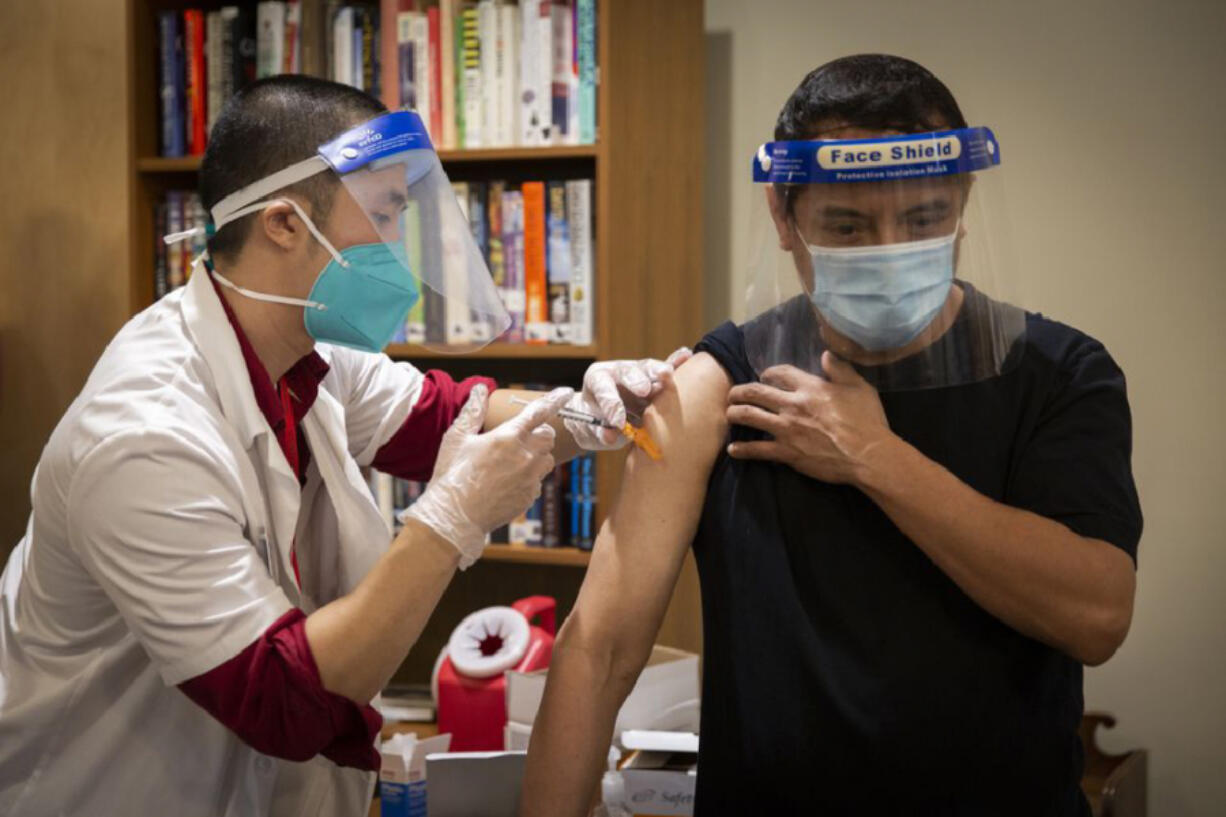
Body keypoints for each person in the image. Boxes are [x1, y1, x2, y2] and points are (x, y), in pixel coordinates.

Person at [0, 76, 687, 816]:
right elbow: (284, 699)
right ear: (284, 224)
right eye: (387, 214)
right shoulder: (143, 433)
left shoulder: (308, 347)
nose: (399, 245)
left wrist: (580, 413)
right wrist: (449, 521)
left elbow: (451, 415)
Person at [520, 54, 1142, 816]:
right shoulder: (719, 385)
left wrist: (876, 458)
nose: (886, 249)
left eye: (922, 218)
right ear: (785, 218)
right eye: (847, 225)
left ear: (964, 199)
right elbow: (600, 648)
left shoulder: (1058, 373)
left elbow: (1097, 615)